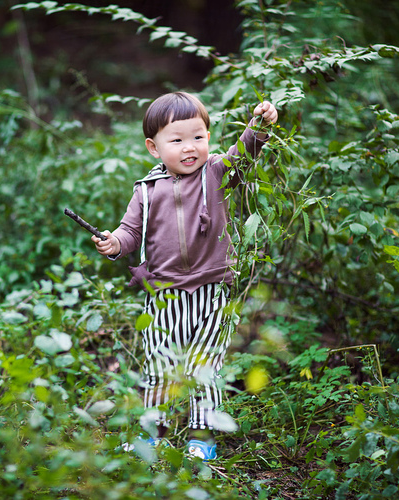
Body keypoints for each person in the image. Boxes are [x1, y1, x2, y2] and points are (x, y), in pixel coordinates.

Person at [92, 91, 278, 460]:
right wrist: (115, 242)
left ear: (208, 138)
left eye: (198, 137)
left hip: (212, 290)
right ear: (154, 147)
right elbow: (131, 231)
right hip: (164, 295)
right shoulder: (146, 191)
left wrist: (259, 125)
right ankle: (154, 432)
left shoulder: (216, 172)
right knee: (160, 362)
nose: (189, 147)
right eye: (176, 140)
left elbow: (244, 155)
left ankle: (201, 436)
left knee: (203, 365)